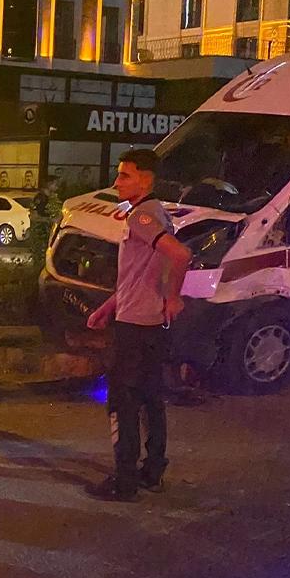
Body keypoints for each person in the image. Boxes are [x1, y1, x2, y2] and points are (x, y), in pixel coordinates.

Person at [84, 149, 193, 502]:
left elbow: (181, 255)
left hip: (135, 326)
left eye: (125, 175)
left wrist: (174, 296)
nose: (117, 182)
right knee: (150, 398)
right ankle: (153, 469)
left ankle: (125, 480)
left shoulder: (140, 217)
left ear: (145, 180)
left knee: (122, 401)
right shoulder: (158, 214)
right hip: (150, 322)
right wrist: (107, 307)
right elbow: (140, 274)